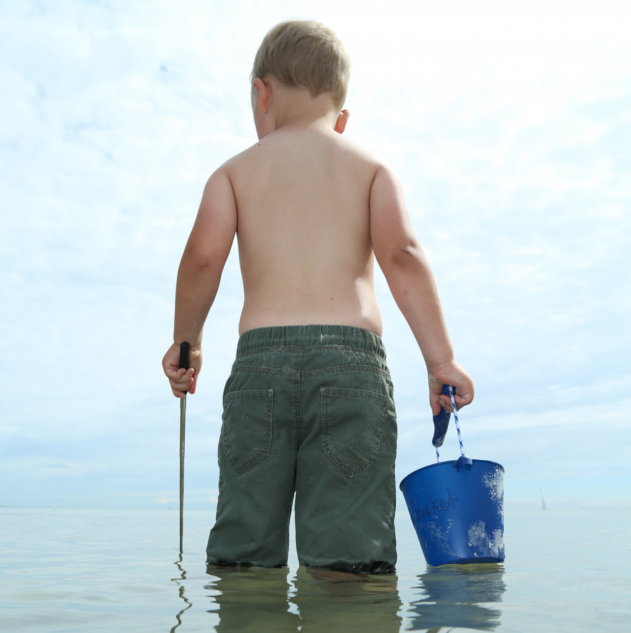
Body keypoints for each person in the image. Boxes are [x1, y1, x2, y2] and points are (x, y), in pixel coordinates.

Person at [162, 19, 474, 573]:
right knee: (350, 559)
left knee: (244, 553)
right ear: (343, 118)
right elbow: (401, 254)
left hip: (260, 367)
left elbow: (203, 258)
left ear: (261, 92)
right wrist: (440, 360)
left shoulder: (233, 173)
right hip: (352, 368)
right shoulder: (372, 169)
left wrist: (187, 343)